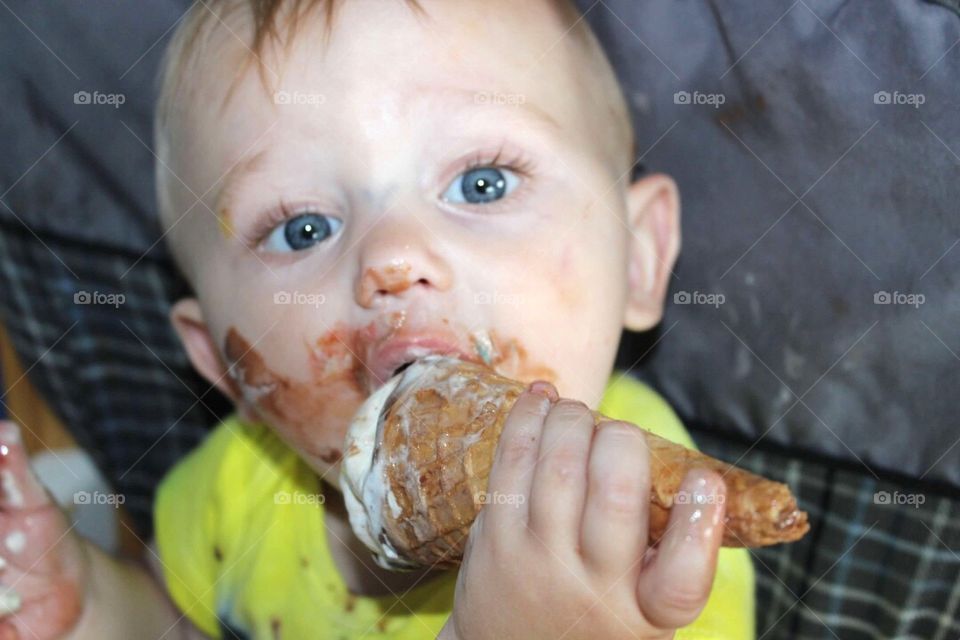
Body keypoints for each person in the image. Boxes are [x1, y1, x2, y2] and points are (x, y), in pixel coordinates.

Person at [0, 0, 755, 637]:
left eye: (482, 182)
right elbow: (180, 618)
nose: (392, 256)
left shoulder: (657, 537)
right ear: (222, 364)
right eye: (303, 229)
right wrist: (92, 606)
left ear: (638, 259)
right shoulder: (236, 485)